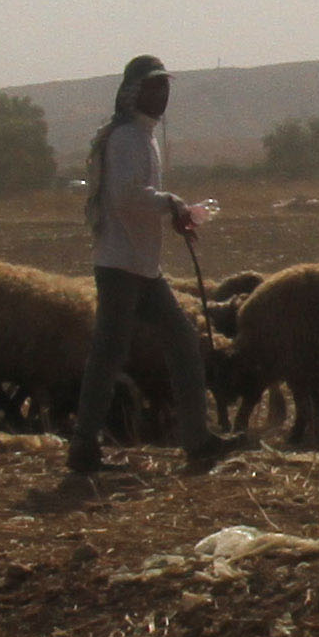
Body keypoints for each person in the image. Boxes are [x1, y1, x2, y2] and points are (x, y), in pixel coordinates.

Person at [67, 56, 250, 479]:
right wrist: (170, 203)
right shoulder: (127, 138)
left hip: (143, 267)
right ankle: (83, 448)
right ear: (134, 92)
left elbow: (136, 198)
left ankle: (197, 440)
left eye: (165, 88)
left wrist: (173, 214)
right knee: (108, 355)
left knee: (183, 342)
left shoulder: (143, 136)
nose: (162, 95)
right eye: (153, 88)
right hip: (120, 265)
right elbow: (126, 197)